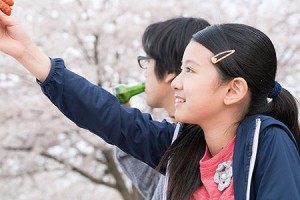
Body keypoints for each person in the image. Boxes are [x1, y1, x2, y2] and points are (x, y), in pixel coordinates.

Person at [0, 14, 299, 200]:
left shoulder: (268, 142)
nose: (176, 83)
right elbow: (107, 116)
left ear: (233, 89)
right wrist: (27, 52)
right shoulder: (182, 144)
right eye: (179, 70)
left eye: (190, 71)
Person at [115, 17, 210, 200]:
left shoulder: (206, 141)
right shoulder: (181, 137)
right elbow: (156, 189)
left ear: (167, 72)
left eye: (147, 61)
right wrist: (124, 119)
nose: (144, 71)